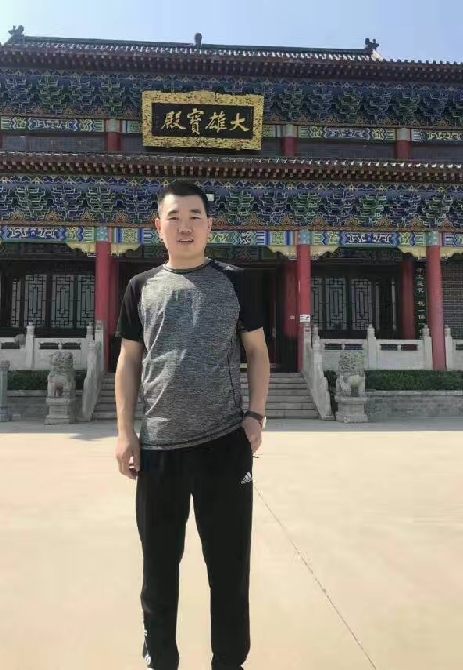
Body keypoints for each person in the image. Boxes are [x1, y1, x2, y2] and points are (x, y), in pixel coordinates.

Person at [115, 180, 270, 670]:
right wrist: (125, 432)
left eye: (195, 217)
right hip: (159, 447)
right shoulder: (141, 287)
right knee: (159, 567)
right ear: (157, 226)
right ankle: (160, 656)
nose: (185, 226)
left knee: (229, 566)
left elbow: (257, 351)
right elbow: (129, 360)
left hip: (224, 445)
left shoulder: (236, 282)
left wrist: (256, 414)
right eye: (174, 217)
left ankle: (230, 660)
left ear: (209, 225)